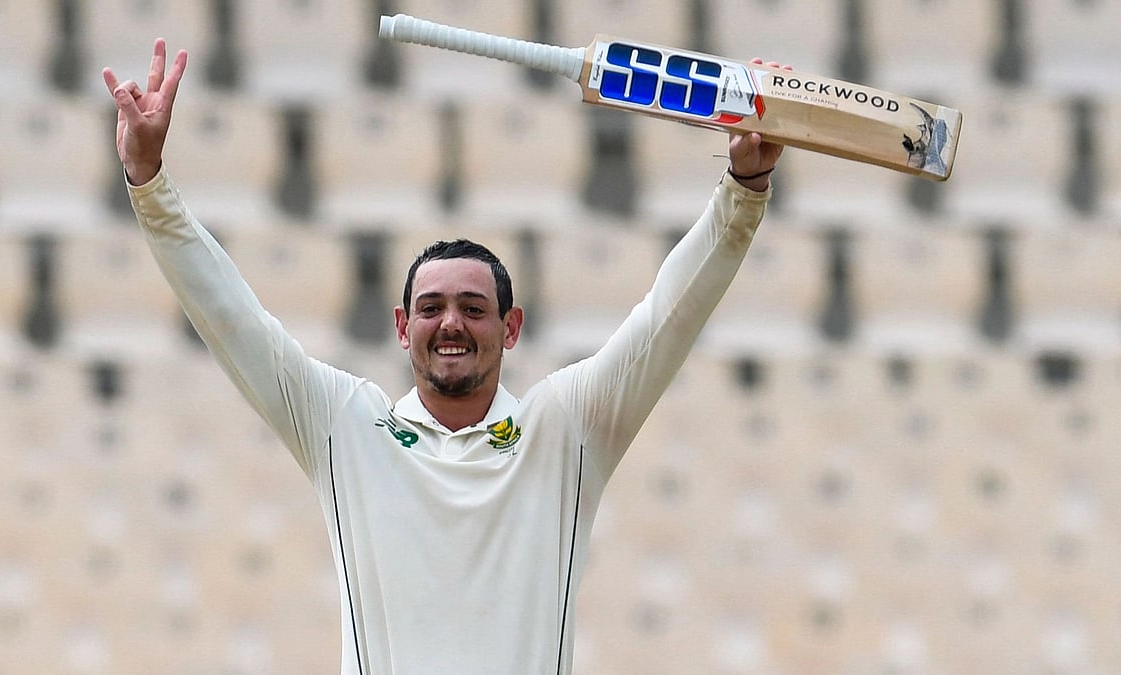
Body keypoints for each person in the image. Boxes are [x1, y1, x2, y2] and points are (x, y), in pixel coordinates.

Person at [104, 39, 786, 675]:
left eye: (473, 307)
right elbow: (231, 319)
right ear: (403, 327)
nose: (451, 323)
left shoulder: (566, 428)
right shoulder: (345, 426)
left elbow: (668, 317)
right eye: (431, 308)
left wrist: (742, 188)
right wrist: (148, 179)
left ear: (510, 326)